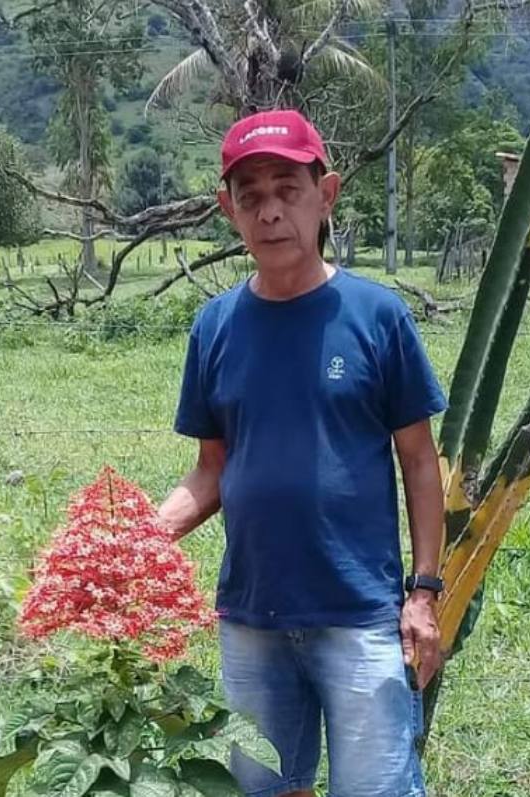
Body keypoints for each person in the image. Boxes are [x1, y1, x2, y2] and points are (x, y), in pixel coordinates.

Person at [157, 108, 448, 797]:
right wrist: (134, 543)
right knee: (264, 790)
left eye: (288, 189)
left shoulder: (377, 317)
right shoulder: (215, 326)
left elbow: (419, 461)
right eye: (250, 195)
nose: (271, 212)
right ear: (228, 210)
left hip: (358, 614)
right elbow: (212, 469)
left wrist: (425, 591)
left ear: (328, 193)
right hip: (251, 618)